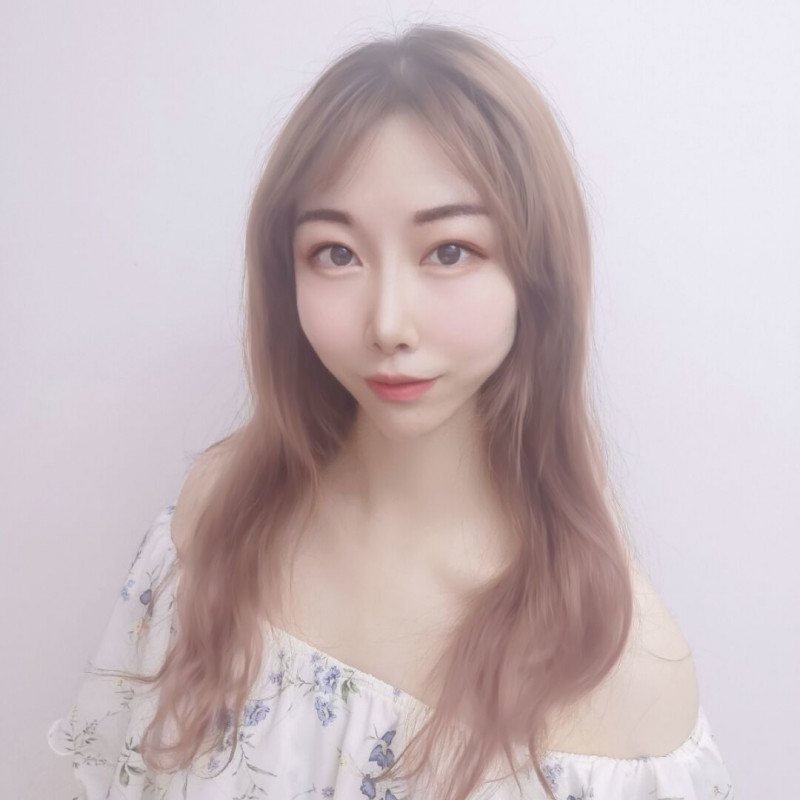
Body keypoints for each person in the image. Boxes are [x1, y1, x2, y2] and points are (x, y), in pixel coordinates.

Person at [48, 22, 735, 800]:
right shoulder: (218, 518)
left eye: (449, 251)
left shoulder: (624, 672)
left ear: (536, 275)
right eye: (336, 253)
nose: (387, 324)